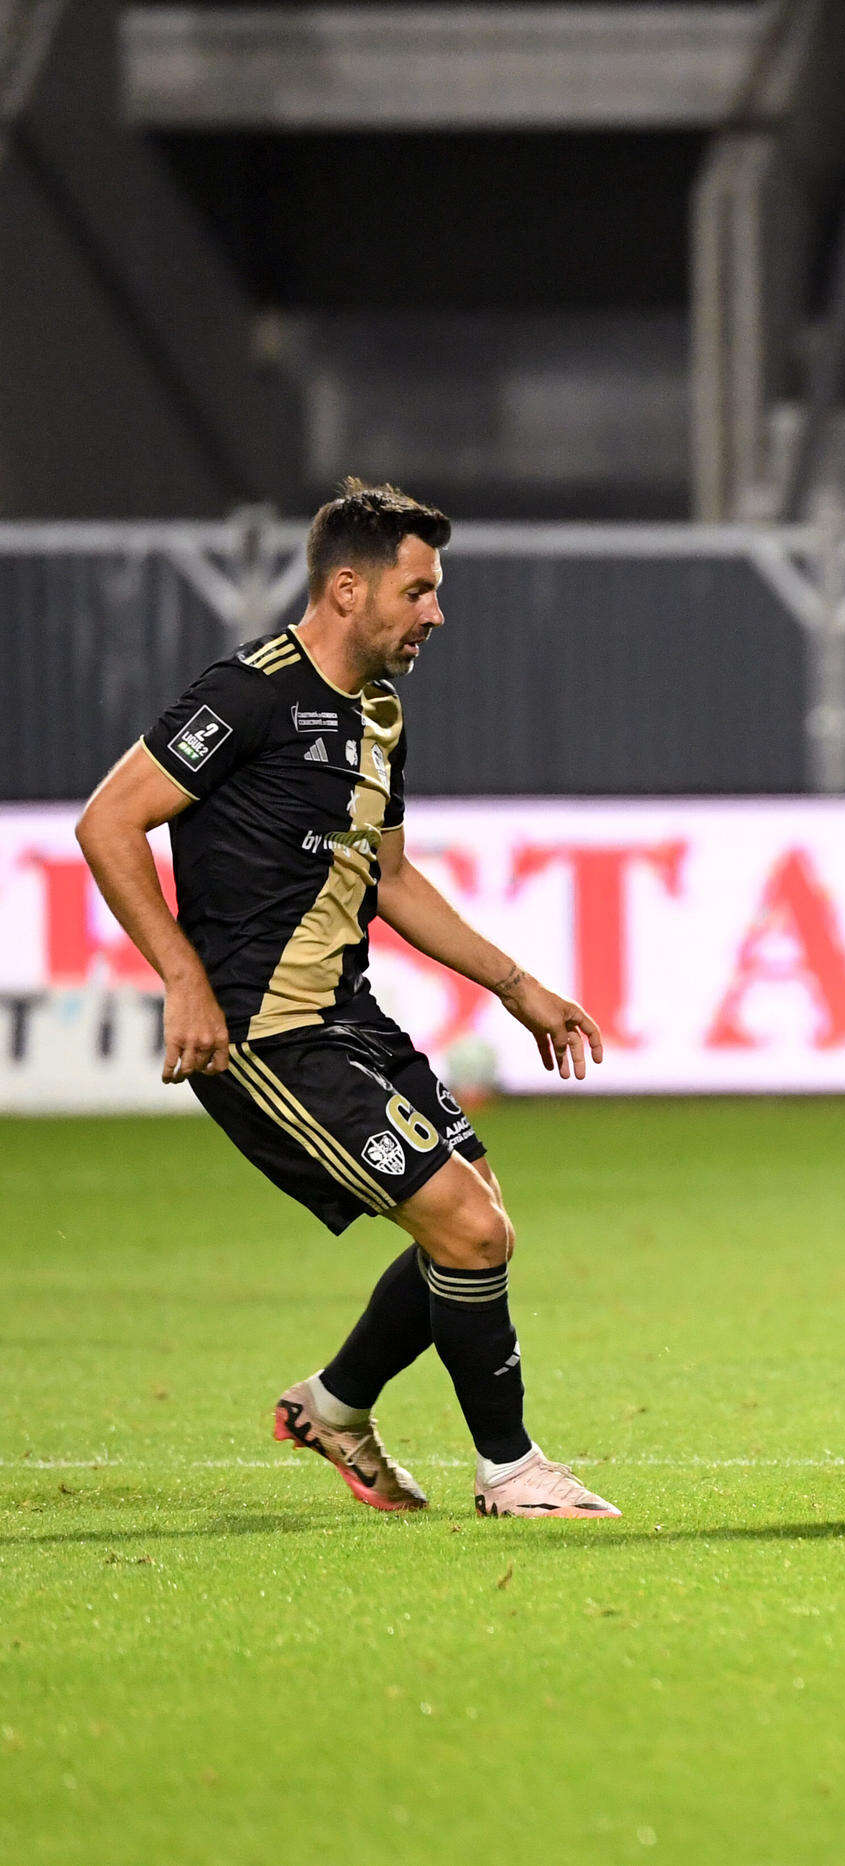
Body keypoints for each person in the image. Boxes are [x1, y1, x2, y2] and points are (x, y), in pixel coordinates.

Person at [73, 481, 616, 1518]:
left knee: (478, 1220)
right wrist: (184, 981)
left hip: (349, 1018)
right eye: (418, 592)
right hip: (262, 1035)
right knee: (469, 1232)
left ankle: (333, 1402)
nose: (435, 614)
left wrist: (516, 985)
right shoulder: (247, 694)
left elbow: (393, 878)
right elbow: (109, 823)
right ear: (348, 588)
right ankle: (509, 1468)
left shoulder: (377, 714)